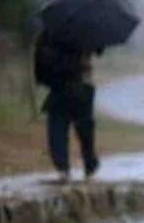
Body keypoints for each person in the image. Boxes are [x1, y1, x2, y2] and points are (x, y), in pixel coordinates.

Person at [34, 34, 100, 182]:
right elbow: (98, 49)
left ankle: (63, 168)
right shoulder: (84, 33)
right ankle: (90, 165)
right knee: (84, 130)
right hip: (81, 89)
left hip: (59, 89)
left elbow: (40, 70)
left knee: (57, 129)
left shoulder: (47, 37)